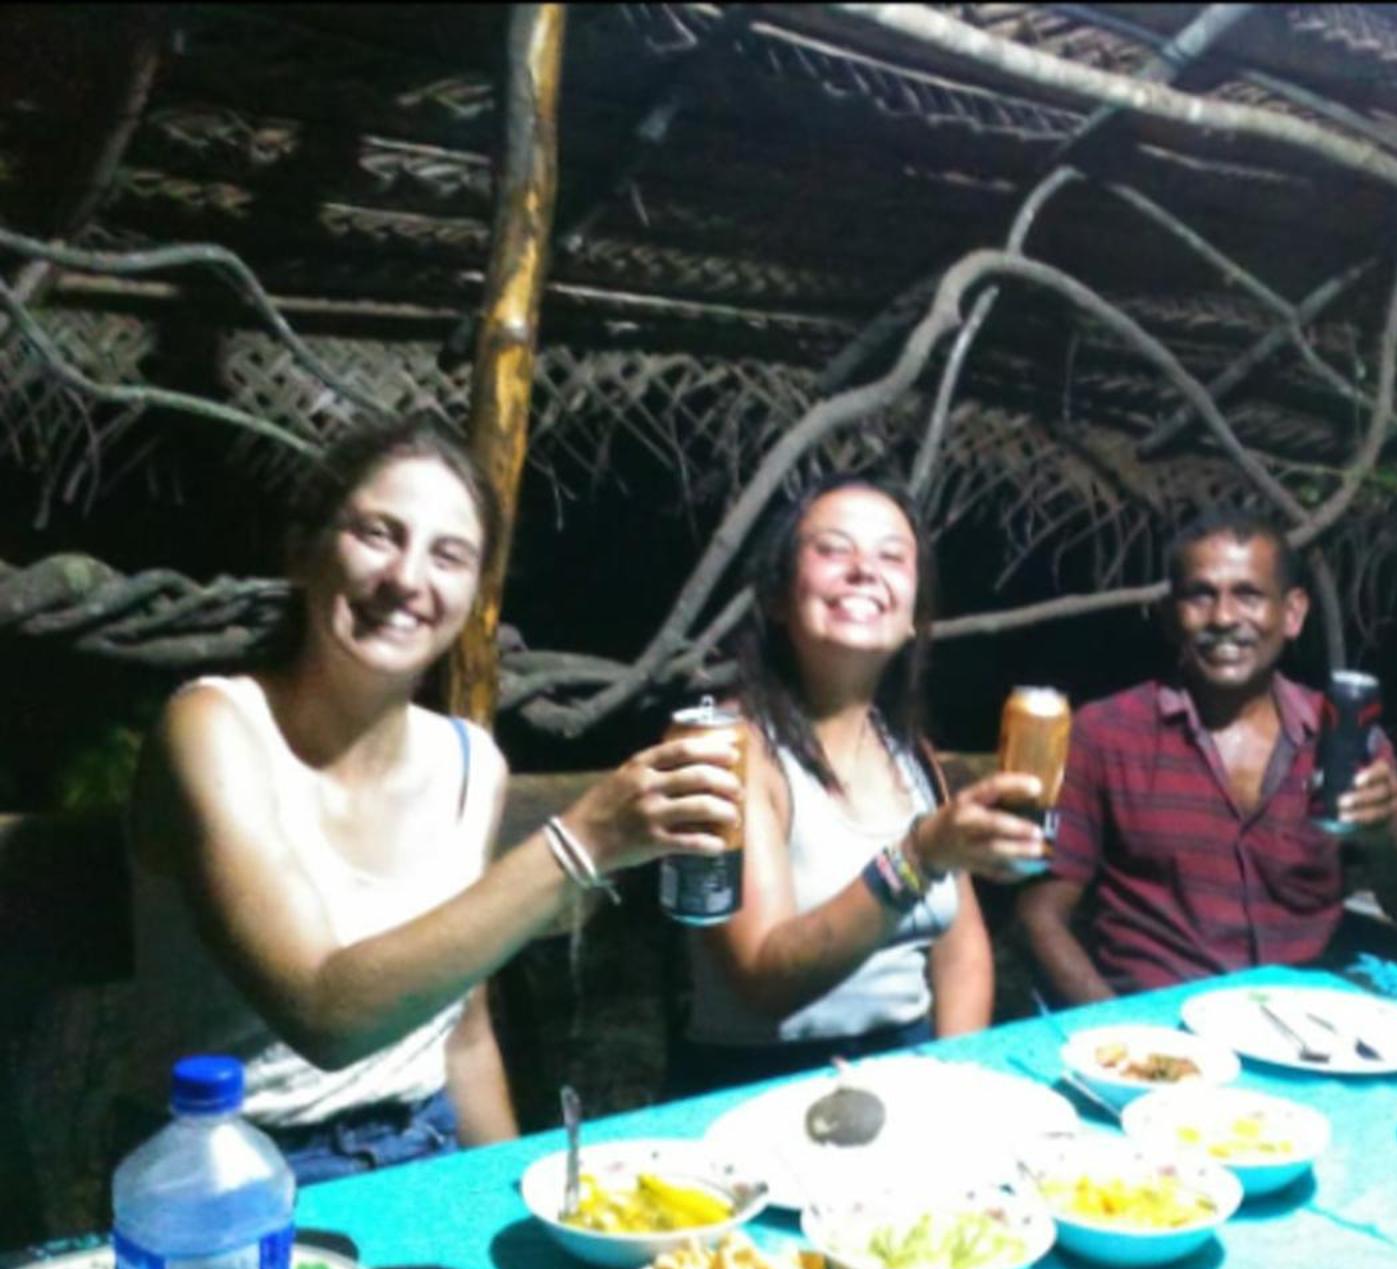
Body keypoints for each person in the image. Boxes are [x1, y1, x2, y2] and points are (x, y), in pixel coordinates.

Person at [122, 416, 743, 1184]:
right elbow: (322, 1011)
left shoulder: (469, 761)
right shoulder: (214, 728)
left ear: (474, 596)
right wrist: (583, 841)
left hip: (428, 1147)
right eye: (379, 534)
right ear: (306, 550)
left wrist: (505, 1195)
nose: (408, 579)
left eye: (449, 555)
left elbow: (460, 1033)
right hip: (229, 1169)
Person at [669, 473, 1047, 1096]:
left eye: (892, 556)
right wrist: (918, 858)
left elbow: (962, 956)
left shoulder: (911, 755)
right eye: (833, 549)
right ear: (777, 597)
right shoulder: (720, 747)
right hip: (753, 1085)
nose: (865, 570)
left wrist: (950, 1083)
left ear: (912, 619)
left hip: (907, 1069)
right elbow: (763, 981)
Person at [1018, 509, 1397, 1005]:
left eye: (1248, 595)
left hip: (1302, 1031)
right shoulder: (1108, 732)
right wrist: (1119, 1035)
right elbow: (1038, 917)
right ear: (1171, 614)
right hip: (1159, 1029)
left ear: (1293, 614)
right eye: (1201, 594)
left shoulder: (1345, 742)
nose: (1223, 618)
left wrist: (1384, 832)